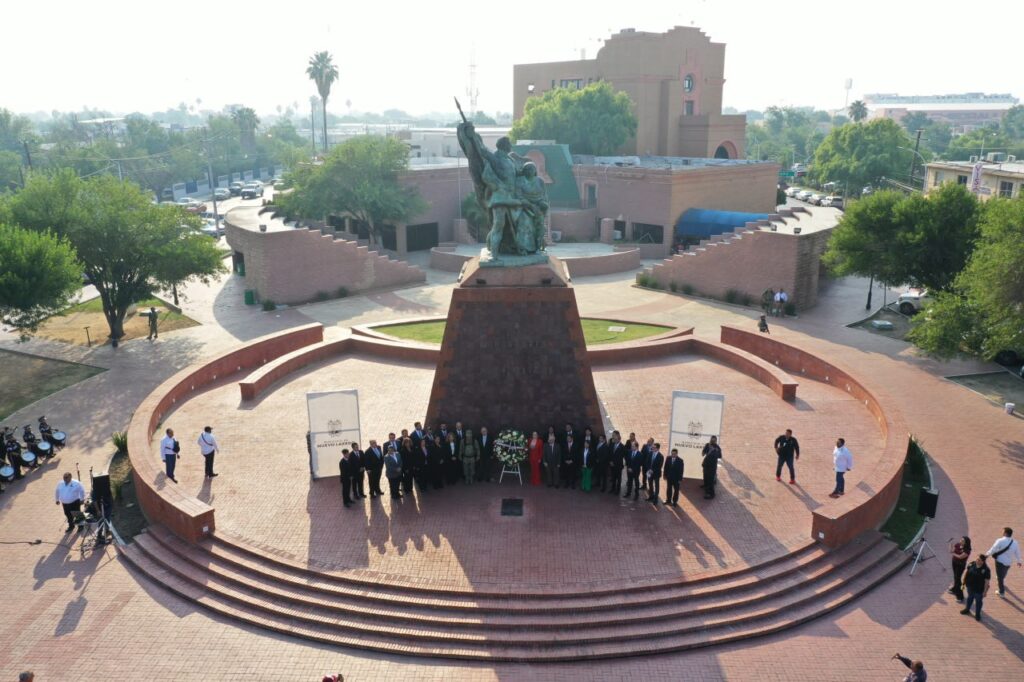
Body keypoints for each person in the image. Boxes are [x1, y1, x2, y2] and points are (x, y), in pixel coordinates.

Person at [987, 527, 1022, 597]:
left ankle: (1001, 592)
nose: (1002, 533)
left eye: (1003, 532)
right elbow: (1017, 552)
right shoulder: (1015, 542)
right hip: (1009, 562)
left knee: (1000, 578)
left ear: (1005, 533)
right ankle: (1001, 577)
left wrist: (986, 555)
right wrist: (1019, 561)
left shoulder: (1000, 540)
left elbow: (993, 549)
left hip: (1000, 561)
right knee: (1003, 573)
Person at [960, 553, 991, 621]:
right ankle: (967, 609)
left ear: (983, 561)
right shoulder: (971, 564)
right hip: (970, 587)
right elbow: (967, 573)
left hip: (979, 590)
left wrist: (985, 592)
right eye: (977, 559)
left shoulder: (986, 570)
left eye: (979, 560)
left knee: (978, 602)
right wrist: (963, 583)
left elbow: (987, 582)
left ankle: (977, 614)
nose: (977, 561)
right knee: (969, 598)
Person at [948, 536, 972, 603]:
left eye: (963, 541)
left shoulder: (967, 550)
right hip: (954, 563)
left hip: (960, 565)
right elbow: (951, 550)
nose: (961, 541)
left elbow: (960, 557)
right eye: (961, 540)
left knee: (958, 579)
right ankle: (954, 589)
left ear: (966, 543)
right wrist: (950, 544)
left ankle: (960, 596)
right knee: (955, 577)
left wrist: (953, 553)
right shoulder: (958, 545)